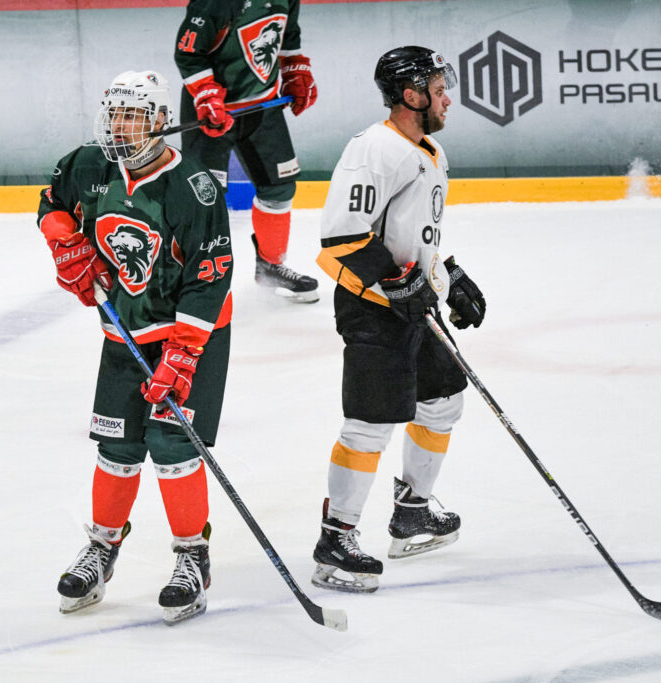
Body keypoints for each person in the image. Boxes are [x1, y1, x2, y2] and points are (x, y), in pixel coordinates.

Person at [37, 69, 232, 624]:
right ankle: (102, 548)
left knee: (172, 446)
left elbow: (211, 278)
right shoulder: (88, 165)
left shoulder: (192, 187)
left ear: (160, 121)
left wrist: (183, 354)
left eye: (134, 115)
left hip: (192, 333)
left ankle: (193, 558)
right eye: (115, 114)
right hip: (124, 332)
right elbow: (51, 203)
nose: (120, 126)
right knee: (117, 447)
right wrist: (65, 245)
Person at [310, 46, 487, 593]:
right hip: (372, 307)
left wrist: (447, 275)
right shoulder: (374, 150)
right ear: (411, 96)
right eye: (438, 90)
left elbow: (413, 233)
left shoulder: (429, 151)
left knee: (443, 400)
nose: (447, 99)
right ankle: (335, 541)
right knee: (370, 423)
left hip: (413, 302)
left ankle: (412, 513)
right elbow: (341, 237)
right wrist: (394, 282)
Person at [173, 0, 319, 303]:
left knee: (279, 189)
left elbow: (288, 33)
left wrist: (295, 69)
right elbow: (188, 52)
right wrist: (206, 94)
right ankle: (193, 277)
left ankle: (270, 266)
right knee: (203, 198)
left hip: (263, 105)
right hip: (212, 112)